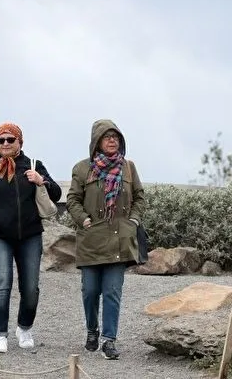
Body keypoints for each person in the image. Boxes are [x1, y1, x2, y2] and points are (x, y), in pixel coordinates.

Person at [0, 122, 62, 353]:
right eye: (1, 140)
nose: (6, 144)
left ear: (20, 141)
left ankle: (25, 327)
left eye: (11, 139)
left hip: (30, 235)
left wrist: (41, 181)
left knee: (31, 288)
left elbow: (57, 194)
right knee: (2, 284)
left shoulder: (33, 165)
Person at [66, 119, 146, 360]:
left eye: (116, 136)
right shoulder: (82, 168)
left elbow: (139, 198)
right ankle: (92, 330)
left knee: (112, 291)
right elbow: (72, 200)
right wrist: (84, 220)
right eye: (107, 136)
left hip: (118, 239)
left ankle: (109, 340)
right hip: (91, 238)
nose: (112, 140)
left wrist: (133, 220)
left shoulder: (128, 168)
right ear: (96, 142)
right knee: (90, 291)